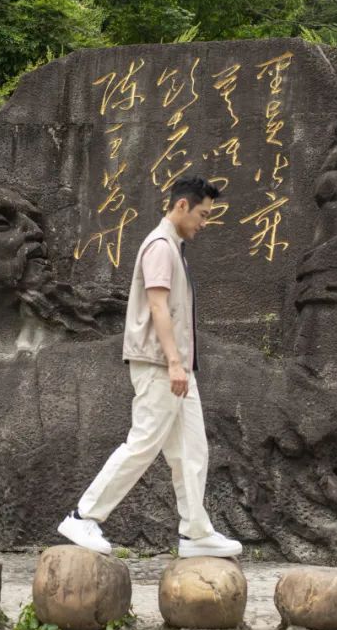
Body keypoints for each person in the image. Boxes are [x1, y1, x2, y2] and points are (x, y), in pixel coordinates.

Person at [58, 176, 242, 558]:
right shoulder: (160, 246)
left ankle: (195, 532)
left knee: (192, 451)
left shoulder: (173, 247)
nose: (204, 223)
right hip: (162, 365)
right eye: (202, 214)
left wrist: (182, 367)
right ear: (181, 207)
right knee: (143, 444)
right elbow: (158, 306)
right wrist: (175, 363)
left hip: (178, 369)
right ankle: (82, 516)